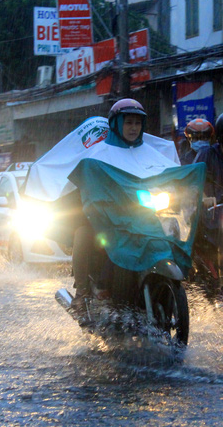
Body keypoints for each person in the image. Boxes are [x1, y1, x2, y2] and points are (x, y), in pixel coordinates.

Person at [69, 98, 172, 316]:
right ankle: (83, 293)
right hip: (109, 219)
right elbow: (89, 182)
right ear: (116, 124)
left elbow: (171, 179)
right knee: (82, 234)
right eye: (128, 122)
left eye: (137, 123)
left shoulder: (153, 154)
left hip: (144, 218)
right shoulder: (98, 154)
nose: (133, 128)